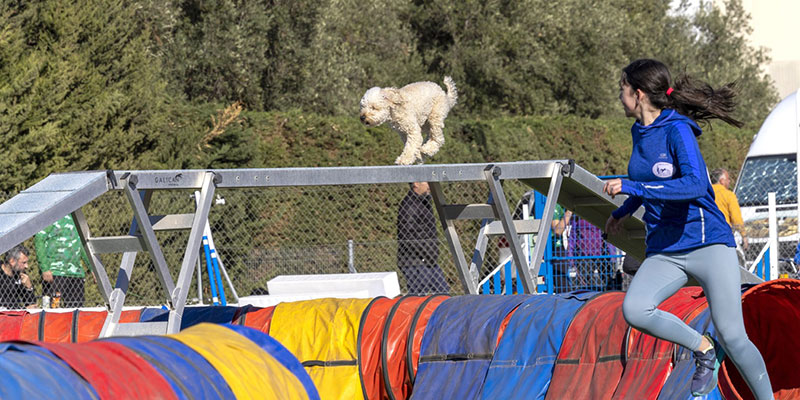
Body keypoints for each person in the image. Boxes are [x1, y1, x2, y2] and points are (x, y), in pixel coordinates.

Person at [603, 59, 773, 399]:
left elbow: (695, 185)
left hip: (708, 245)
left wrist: (633, 190)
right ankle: (702, 349)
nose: (619, 96)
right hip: (666, 250)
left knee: (734, 337)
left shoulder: (677, 129)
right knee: (635, 309)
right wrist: (622, 212)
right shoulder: (639, 131)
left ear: (637, 94)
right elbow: (645, 181)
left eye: (622, 89)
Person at [397, 182, 450, 295]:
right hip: (414, 261)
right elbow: (408, 236)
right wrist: (427, 253)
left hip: (429, 260)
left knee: (443, 292)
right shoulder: (409, 206)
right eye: (426, 182)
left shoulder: (424, 201)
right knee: (420, 296)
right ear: (416, 184)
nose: (429, 185)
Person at [34, 215, 89, 308]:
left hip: (76, 274)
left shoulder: (76, 217)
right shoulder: (52, 215)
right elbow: (39, 239)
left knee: (77, 311)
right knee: (52, 310)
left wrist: (92, 268)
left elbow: (83, 244)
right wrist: (45, 268)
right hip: (55, 273)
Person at [710, 168, 748, 251]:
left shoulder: (706, 194)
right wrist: (744, 235)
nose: (729, 181)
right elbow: (736, 218)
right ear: (722, 181)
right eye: (728, 179)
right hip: (724, 234)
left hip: (708, 234)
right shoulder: (728, 195)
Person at [0, 245, 37, 309]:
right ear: (12, 261)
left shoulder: (20, 275)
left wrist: (29, 288)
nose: (27, 266)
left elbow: (31, 304)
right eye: (24, 262)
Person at [550, 205, 573, 292]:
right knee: (563, 285)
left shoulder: (561, 205)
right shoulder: (555, 206)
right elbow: (557, 230)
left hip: (562, 248)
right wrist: (569, 212)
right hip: (555, 249)